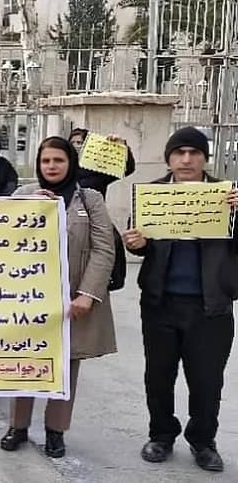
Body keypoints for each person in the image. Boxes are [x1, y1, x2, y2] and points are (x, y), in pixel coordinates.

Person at [123, 126, 237, 473]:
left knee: (207, 381)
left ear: (205, 158)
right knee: (159, 376)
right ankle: (161, 435)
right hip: (160, 303)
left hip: (211, 307)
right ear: (169, 158)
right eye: (179, 153)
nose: (186, 160)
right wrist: (135, 243)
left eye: (194, 153)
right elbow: (138, 240)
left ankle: (203, 441)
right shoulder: (151, 195)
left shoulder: (227, 196)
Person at [0, 136, 116, 458]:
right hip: (28, 298)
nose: (51, 166)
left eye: (58, 160)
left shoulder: (89, 199)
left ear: (70, 163)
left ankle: (56, 431)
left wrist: (87, 294)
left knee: (66, 365)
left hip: (71, 300)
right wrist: (28, 206)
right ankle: (18, 426)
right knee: (25, 360)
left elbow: (104, 249)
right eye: (46, 161)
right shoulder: (23, 194)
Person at [69, 128, 136, 197]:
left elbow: (126, 169)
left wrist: (122, 148)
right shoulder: (66, 167)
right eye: (72, 143)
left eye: (79, 143)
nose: (75, 146)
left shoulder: (99, 168)